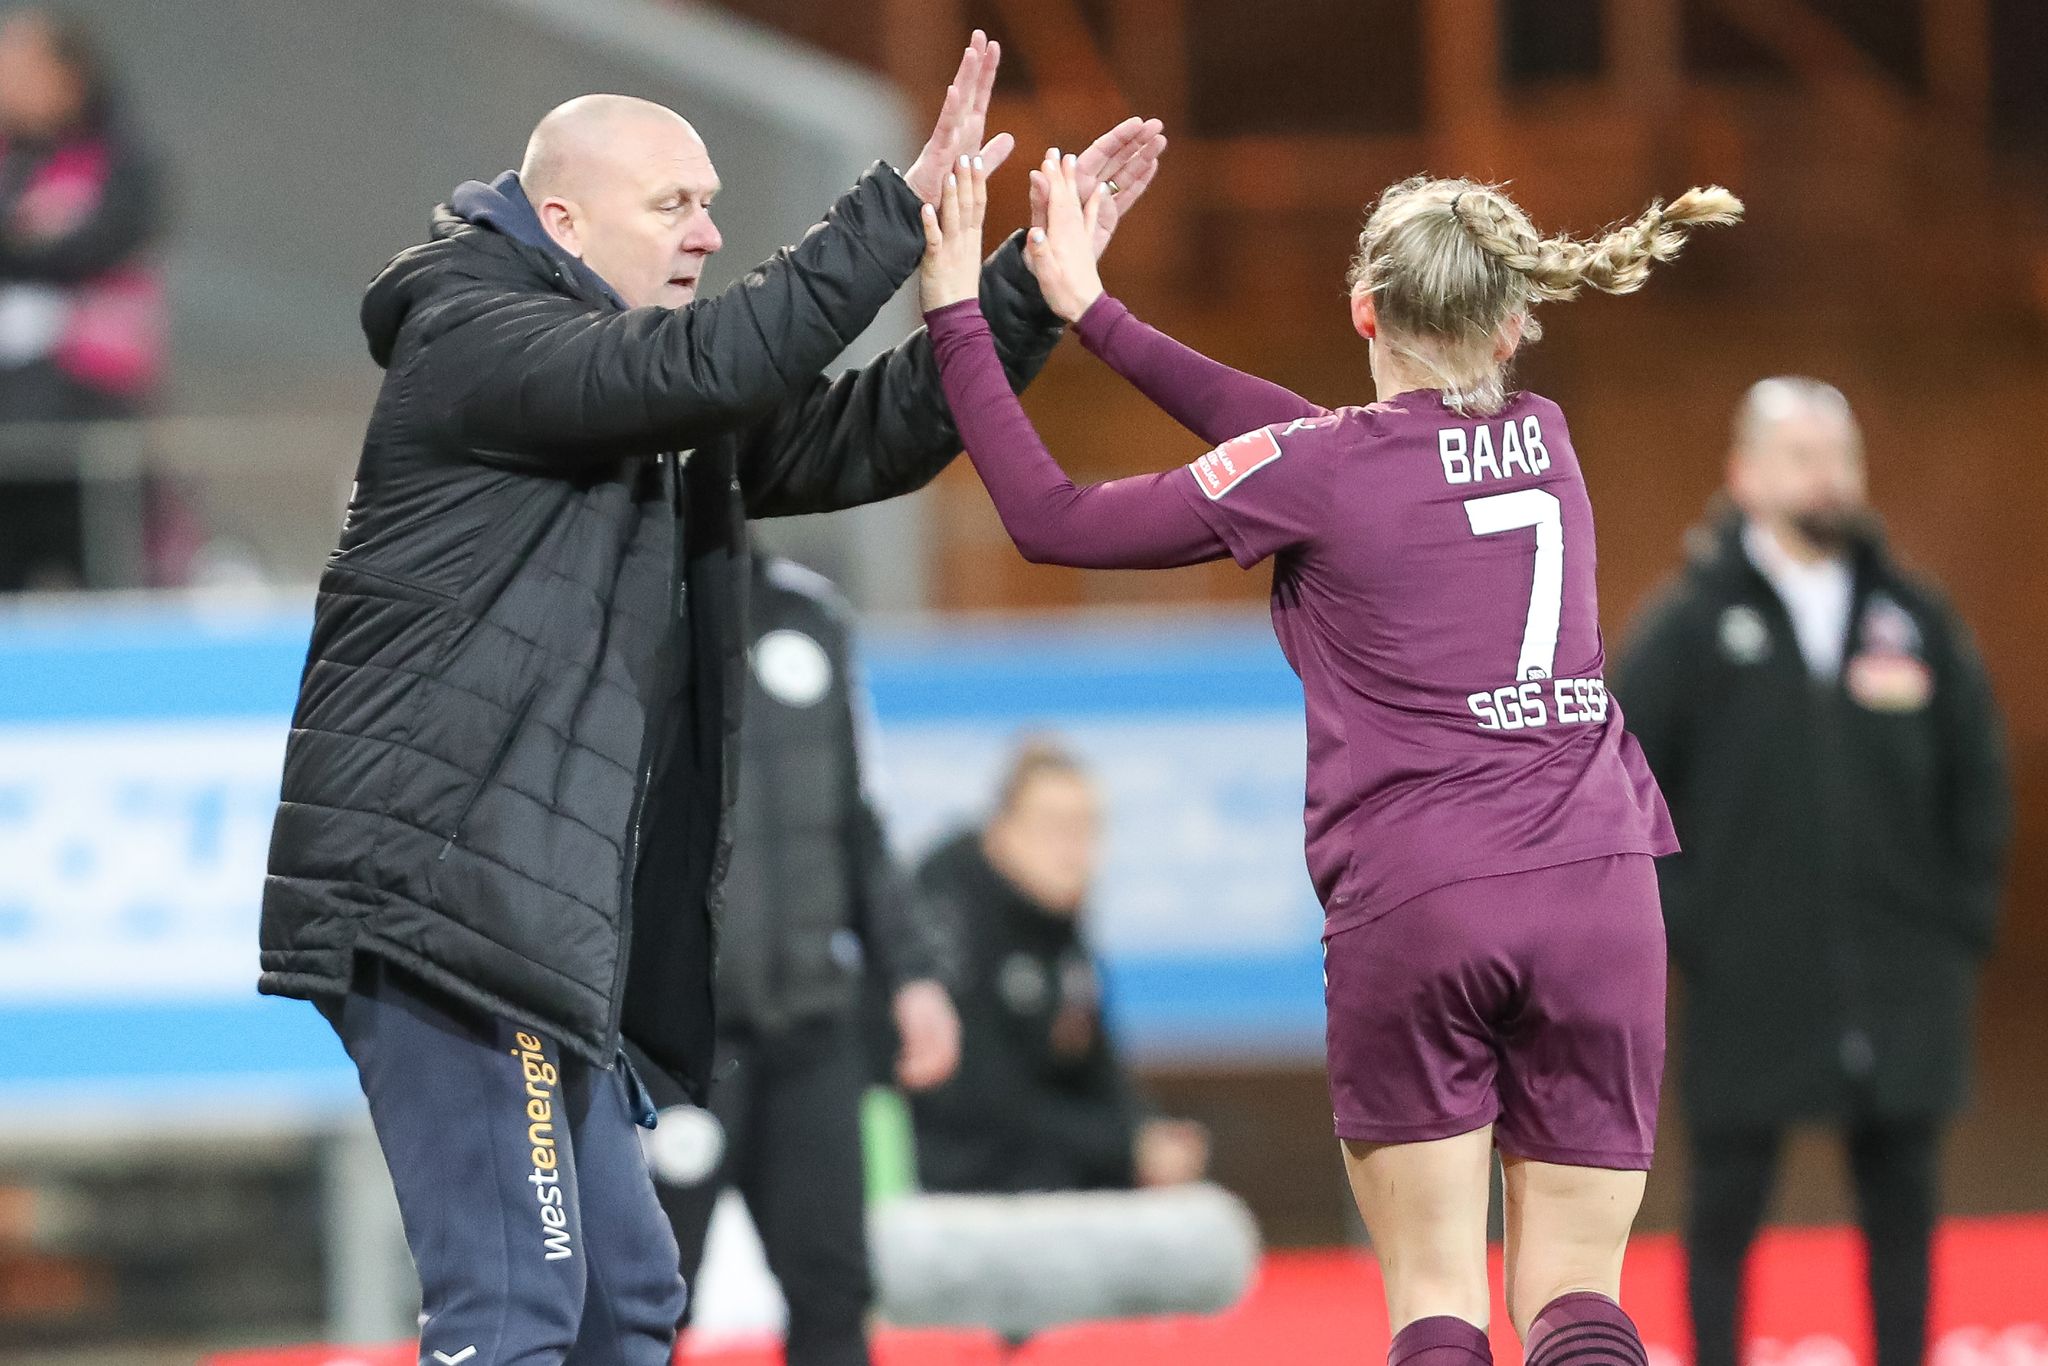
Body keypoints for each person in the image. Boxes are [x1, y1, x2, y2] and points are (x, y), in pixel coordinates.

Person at [258, 31, 1170, 1364]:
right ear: (559, 219)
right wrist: (899, 211)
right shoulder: (475, 329)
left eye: (708, 199)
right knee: (515, 1307)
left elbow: (870, 431)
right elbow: (715, 369)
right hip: (447, 913)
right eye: (671, 203)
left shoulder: (628, 382)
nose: (708, 226)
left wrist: (1028, 284)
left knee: (626, 1296)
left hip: (534, 929)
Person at [916, 152, 1741, 1366]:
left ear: (1362, 308)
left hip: (1421, 895)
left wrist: (954, 318)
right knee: (1572, 1287)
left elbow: (1052, 518)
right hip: (1598, 883)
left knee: (1436, 1296)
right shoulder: (1545, 438)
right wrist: (1096, 314)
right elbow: (1308, 442)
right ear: (1515, 321)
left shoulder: (1326, 468)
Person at [1613, 379, 2011, 1366]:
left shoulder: (1910, 618)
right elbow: (1614, 775)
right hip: (1748, 974)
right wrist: (1682, 921)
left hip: (1900, 972)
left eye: (1838, 455)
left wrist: (1958, 917)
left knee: (1903, 1200)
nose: (1825, 477)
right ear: (1741, 475)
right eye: (1799, 456)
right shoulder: (1690, 626)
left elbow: (1977, 770)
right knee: (1725, 1203)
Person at [647, 550, 962, 1366]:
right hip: (675, 1044)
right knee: (646, 1297)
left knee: (834, 1289)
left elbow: (859, 820)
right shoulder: (619, 603)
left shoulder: (812, 615)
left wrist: (913, 973)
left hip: (814, 1027)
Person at [907, 739, 1210, 1194]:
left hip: (1044, 1174)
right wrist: (1123, 1146)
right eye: (1053, 827)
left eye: (1087, 829)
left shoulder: (1057, 920)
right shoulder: (948, 912)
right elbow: (978, 1103)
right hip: (952, 1178)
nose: (1074, 851)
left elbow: (1095, 1062)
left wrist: (1146, 1134)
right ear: (1002, 830)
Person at [0, 8, 167, 589]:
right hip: (11, 429)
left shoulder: (122, 156)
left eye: (21, 70)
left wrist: (35, 243)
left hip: (93, 414)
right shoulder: (12, 161)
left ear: (70, 75)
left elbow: (100, 240)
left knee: (109, 579)